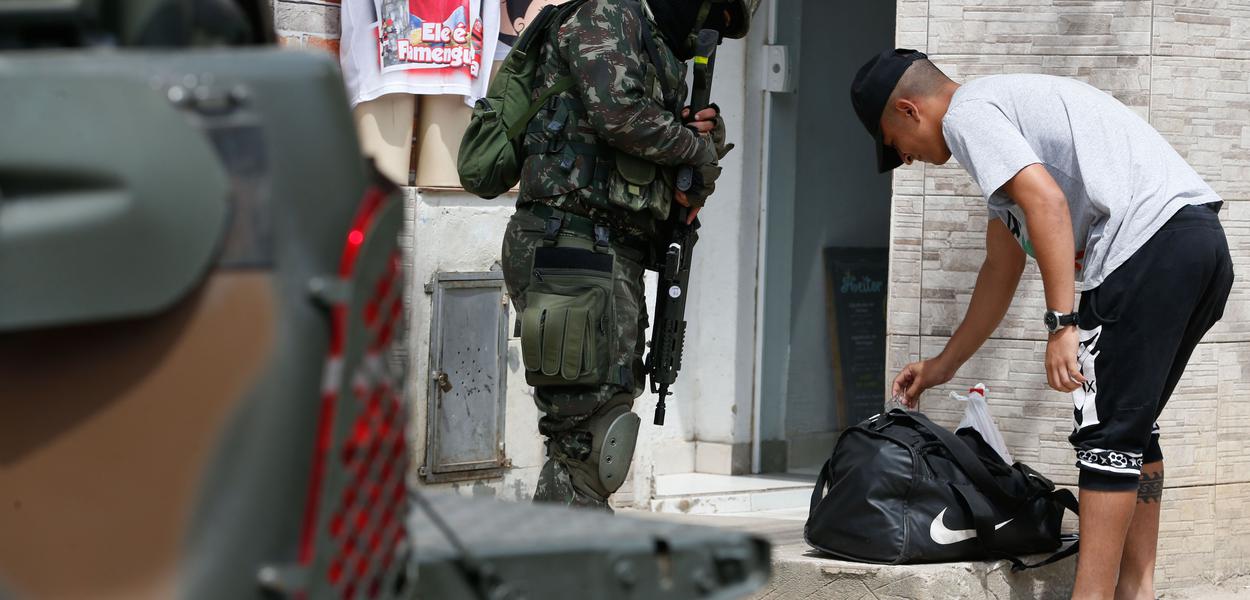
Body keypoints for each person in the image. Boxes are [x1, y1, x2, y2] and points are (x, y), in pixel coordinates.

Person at [850, 49, 1234, 599]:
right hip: (1197, 246)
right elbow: (999, 267)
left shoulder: (968, 114)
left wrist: (1062, 324)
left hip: (1146, 250)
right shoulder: (1002, 120)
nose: (904, 158)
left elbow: (1048, 204)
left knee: (1105, 439)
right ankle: (1135, 590)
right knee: (1130, 428)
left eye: (894, 145)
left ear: (908, 110)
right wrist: (941, 366)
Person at [501, 0, 754, 511]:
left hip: (605, 251)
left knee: (595, 428)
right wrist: (694, 147)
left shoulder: (653, 43)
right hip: (569, 245)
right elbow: (618, 115)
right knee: (590, 440)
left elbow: (642, 144)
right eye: (718, 17)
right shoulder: (606, 14)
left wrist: (698, 146)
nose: (712, 34)